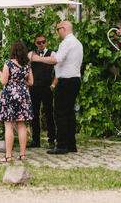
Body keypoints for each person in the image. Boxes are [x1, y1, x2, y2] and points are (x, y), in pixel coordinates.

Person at [31, 20, 83, 155]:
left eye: (58, 29)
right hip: (75, 80)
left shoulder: (66, 42)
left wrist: (38, 59)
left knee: (60, 113)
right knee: (69, 113)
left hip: (66, 81)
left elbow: (55, 59)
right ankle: (71, 144)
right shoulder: (77, 43)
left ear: (64, 28)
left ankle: (61, 145)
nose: (57, 32)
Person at [0, 40, 33, 163]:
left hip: (10, 95)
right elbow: (31, 82)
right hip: (23, 94)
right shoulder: (27, 64)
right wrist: (22, 82)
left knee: (9, 126)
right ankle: (22, 154)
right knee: (22, 125)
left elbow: (4, 81)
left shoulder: (8, 63)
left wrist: (0, 73)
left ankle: (8, 156)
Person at [29, 34, 56, 149]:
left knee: (49, 113)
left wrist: (53, 84)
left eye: (43, 42)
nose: (41, 44)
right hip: (34, 87)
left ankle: (52, 140)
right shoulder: (31, 53)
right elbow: (27, 64)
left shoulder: (53, 53)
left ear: (46, 42)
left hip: (46, 87)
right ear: (36, 44)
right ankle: (36, 140)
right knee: (34, 114)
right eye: (38, 42)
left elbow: (58, 69)